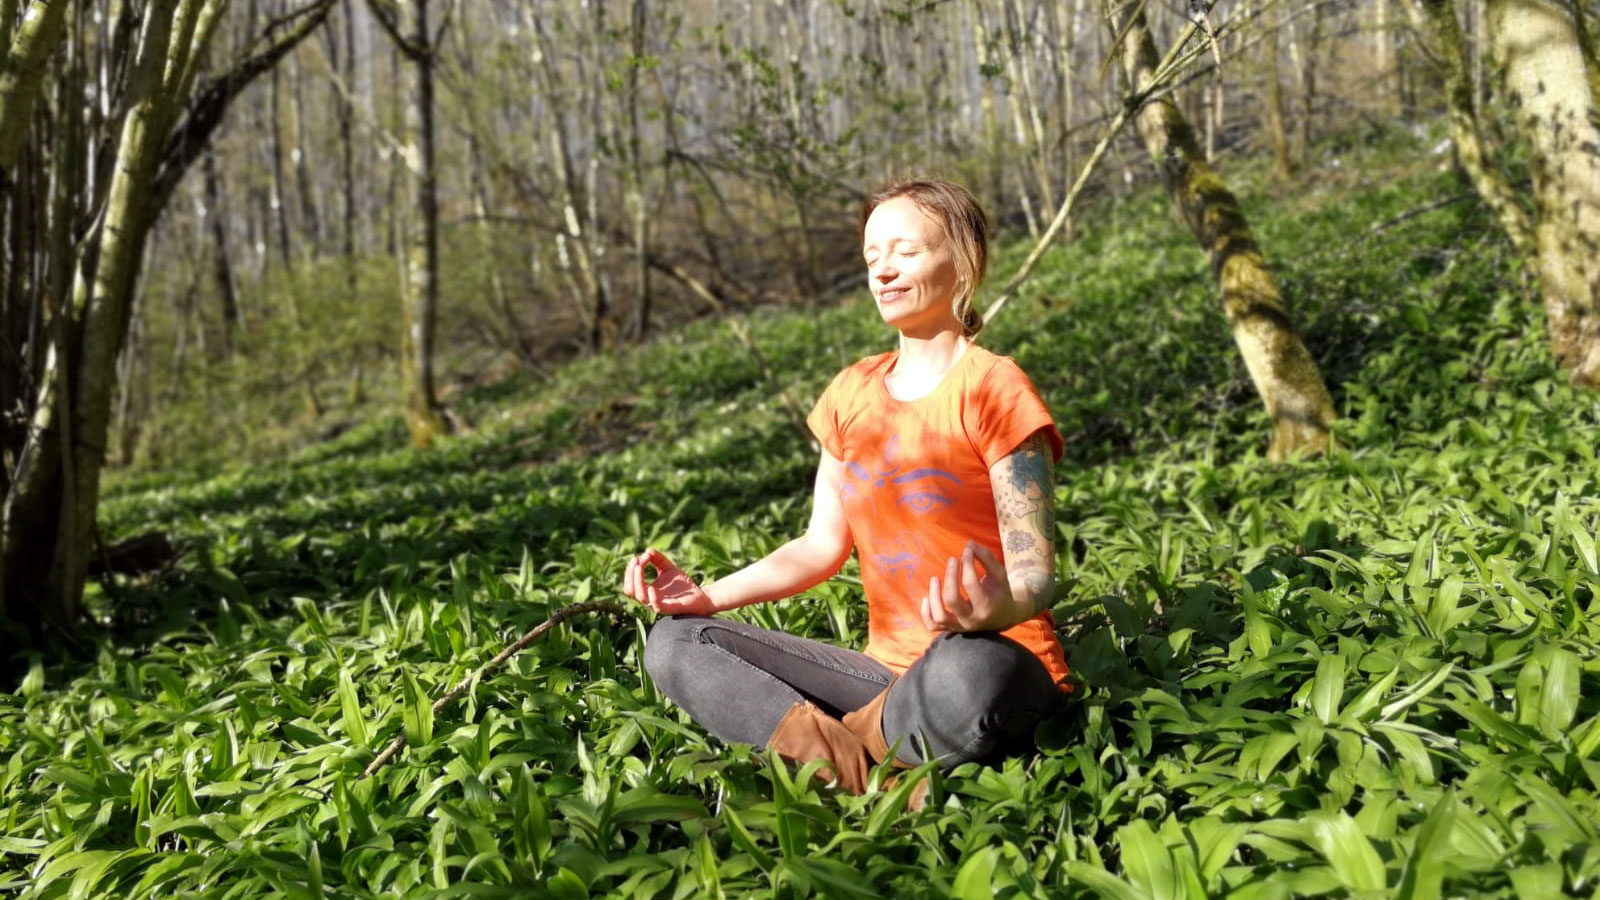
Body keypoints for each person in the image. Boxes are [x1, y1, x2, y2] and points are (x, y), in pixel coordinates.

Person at [621, 180, 1071, 799]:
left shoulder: (995, 389)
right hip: (883, 680)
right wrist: (703, 598)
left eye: (905, 252)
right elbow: (817, 546)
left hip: (995, 663)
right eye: (871, 258)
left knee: (970, 670)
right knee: (676, 642)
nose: (883, 270)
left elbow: (1035, 575)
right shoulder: (850, 395)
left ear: (962, 259)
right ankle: (878, 771)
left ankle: (830, 762)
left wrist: (991, 612)